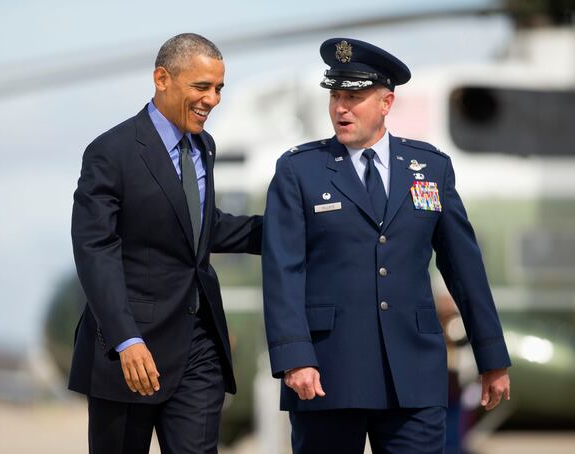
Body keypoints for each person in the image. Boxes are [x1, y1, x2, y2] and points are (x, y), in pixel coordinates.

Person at [262, 37, 511, 454]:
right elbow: (282, 270)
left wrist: (492, 356)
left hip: (413, 377)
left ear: (386, 102)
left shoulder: (430, 168)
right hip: (326, 375)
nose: (341, 107)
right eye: (336, 95)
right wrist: (294, 357)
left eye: (354, 96)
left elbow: (464, 267)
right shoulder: (298, 171)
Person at [69, 33, 262, 454]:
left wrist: (290, 231)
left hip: (198, 345)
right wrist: (126, 339)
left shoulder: (203, 146)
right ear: (162, 78)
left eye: (219, 89)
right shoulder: (110, 152)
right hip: (129, 351)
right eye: (202, 87)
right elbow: (94, 249)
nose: (212, 99)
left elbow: (201, 228)